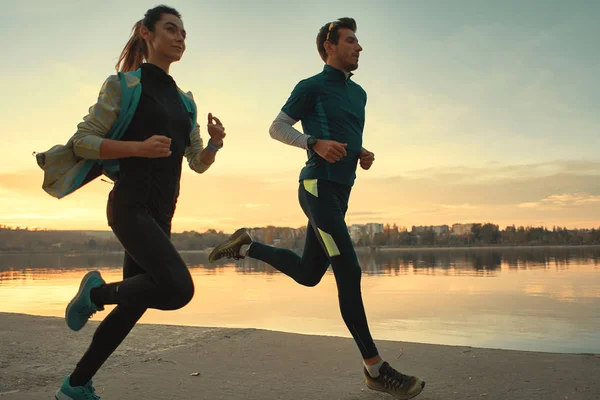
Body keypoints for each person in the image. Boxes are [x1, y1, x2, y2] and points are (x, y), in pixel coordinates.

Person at [208, 17, 425, 398]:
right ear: (330, 47)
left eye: (359, 42)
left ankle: (246, 245)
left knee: (309, 273)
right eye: (351, 41)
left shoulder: (359, 94)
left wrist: (359, 151)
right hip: (316, 188)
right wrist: (313, 143)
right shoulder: (310, 87)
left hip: (341, 193)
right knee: (349, 270)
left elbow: (345, 133)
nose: (359, 48)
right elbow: (277, 127)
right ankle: (375, 368)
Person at [36, 5, 227, 399]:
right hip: (129, 205)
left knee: (132, 306)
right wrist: (137, 148)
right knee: (178, 289)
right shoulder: (125, 86)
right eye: (171, 29)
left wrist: (214, 144)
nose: (179, 38)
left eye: (183, 33)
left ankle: (75, 386)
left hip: (161, 213)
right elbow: (82, 141)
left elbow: (196, 164)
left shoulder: (184, 102)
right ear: (147, 33)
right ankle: (94, 294)